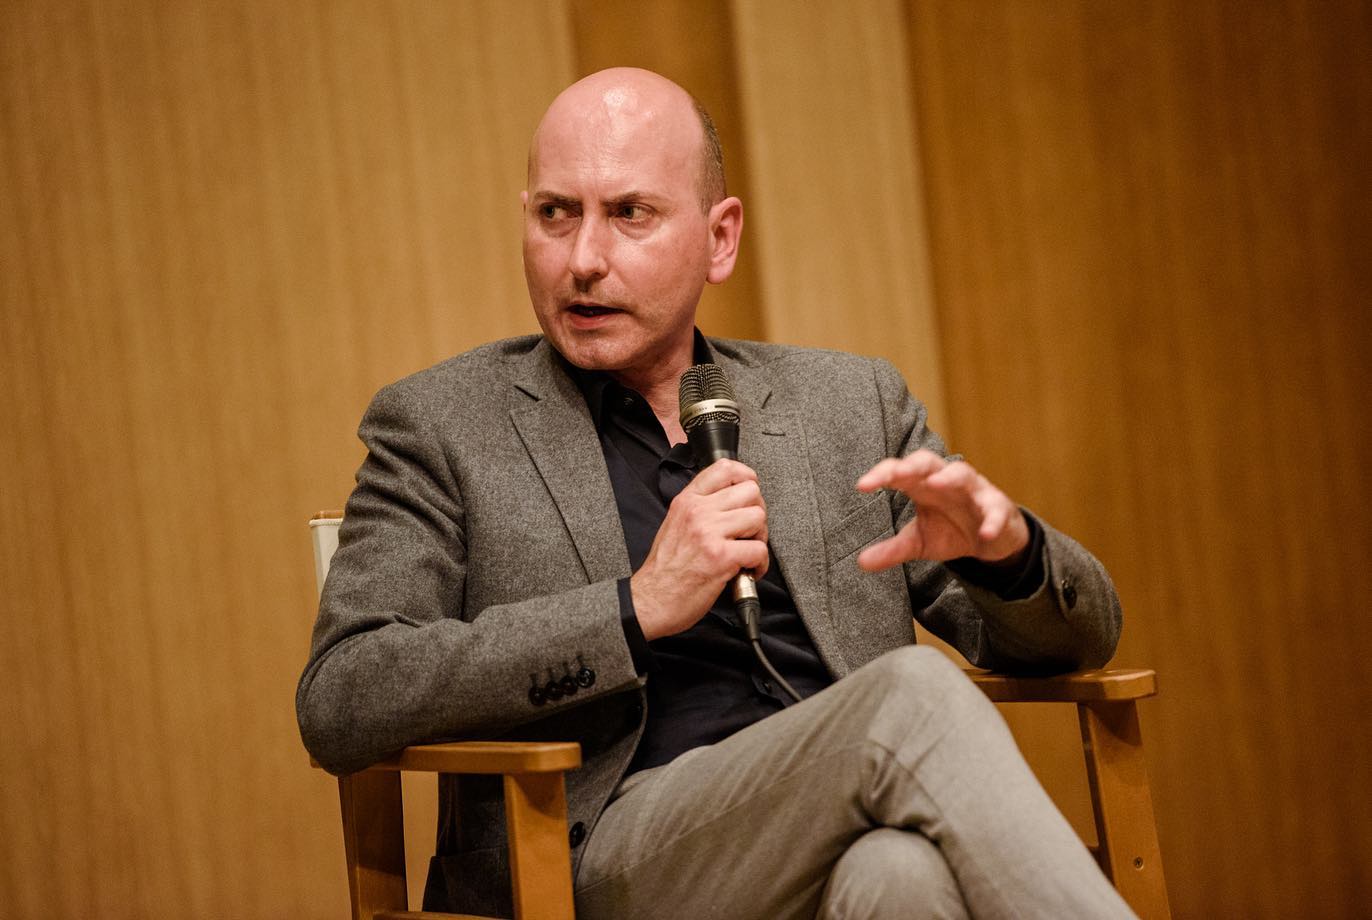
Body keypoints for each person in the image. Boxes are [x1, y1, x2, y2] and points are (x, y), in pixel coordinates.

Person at [297, 67, 1134, 919]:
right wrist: (633, 609)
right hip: (598, 853)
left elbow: (1085, 638)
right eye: (556, 214)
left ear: (719, 238)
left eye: (630, 213)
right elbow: (343, 695)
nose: (583, 259)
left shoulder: (848, 405)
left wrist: (1010, 560)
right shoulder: (443, 424)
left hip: (835, 825)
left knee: (899, 877)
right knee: (912, 695)